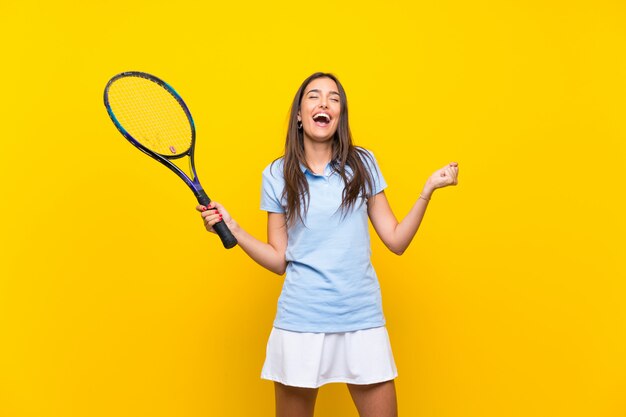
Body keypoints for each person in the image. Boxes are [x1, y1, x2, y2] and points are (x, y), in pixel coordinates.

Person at [198, 72, 459, 417]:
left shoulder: (363, 165)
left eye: (334, 99)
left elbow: (396, 241)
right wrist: (233, 227)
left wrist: (427, 190)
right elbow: (279, 260)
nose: (324, 103)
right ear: (299, 115)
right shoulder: (276, 175)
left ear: (340, 115)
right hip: (301, 322)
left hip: (361, 318)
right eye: (314, 97)